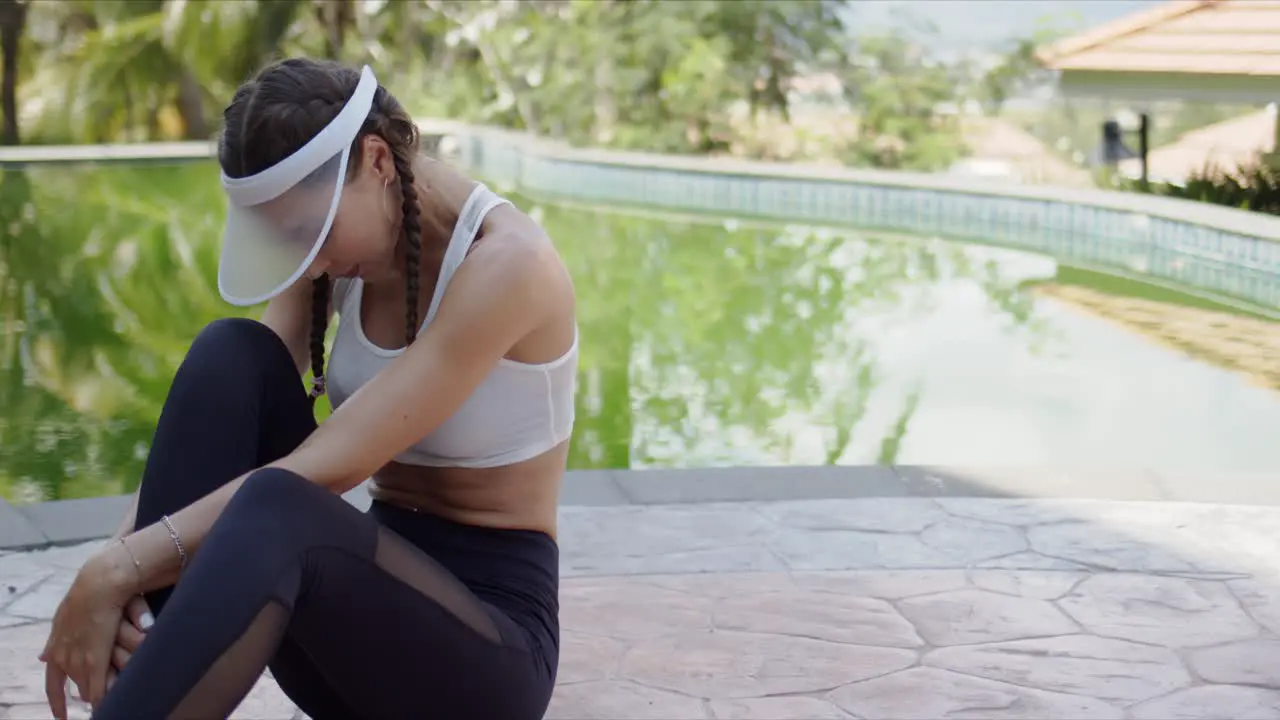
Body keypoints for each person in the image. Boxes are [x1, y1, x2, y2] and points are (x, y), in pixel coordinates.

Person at [37, 57, 577, 720]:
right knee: (229, 356)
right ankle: (145, 674)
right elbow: (230, 412)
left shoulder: (508, 264)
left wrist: (120, 568)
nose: (310, 260)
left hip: (480, 663)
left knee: (279, 503)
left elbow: (332, 466)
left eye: (311, 231)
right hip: (350, 636)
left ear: (378, 161)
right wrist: (122, 560)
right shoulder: (332, 247)